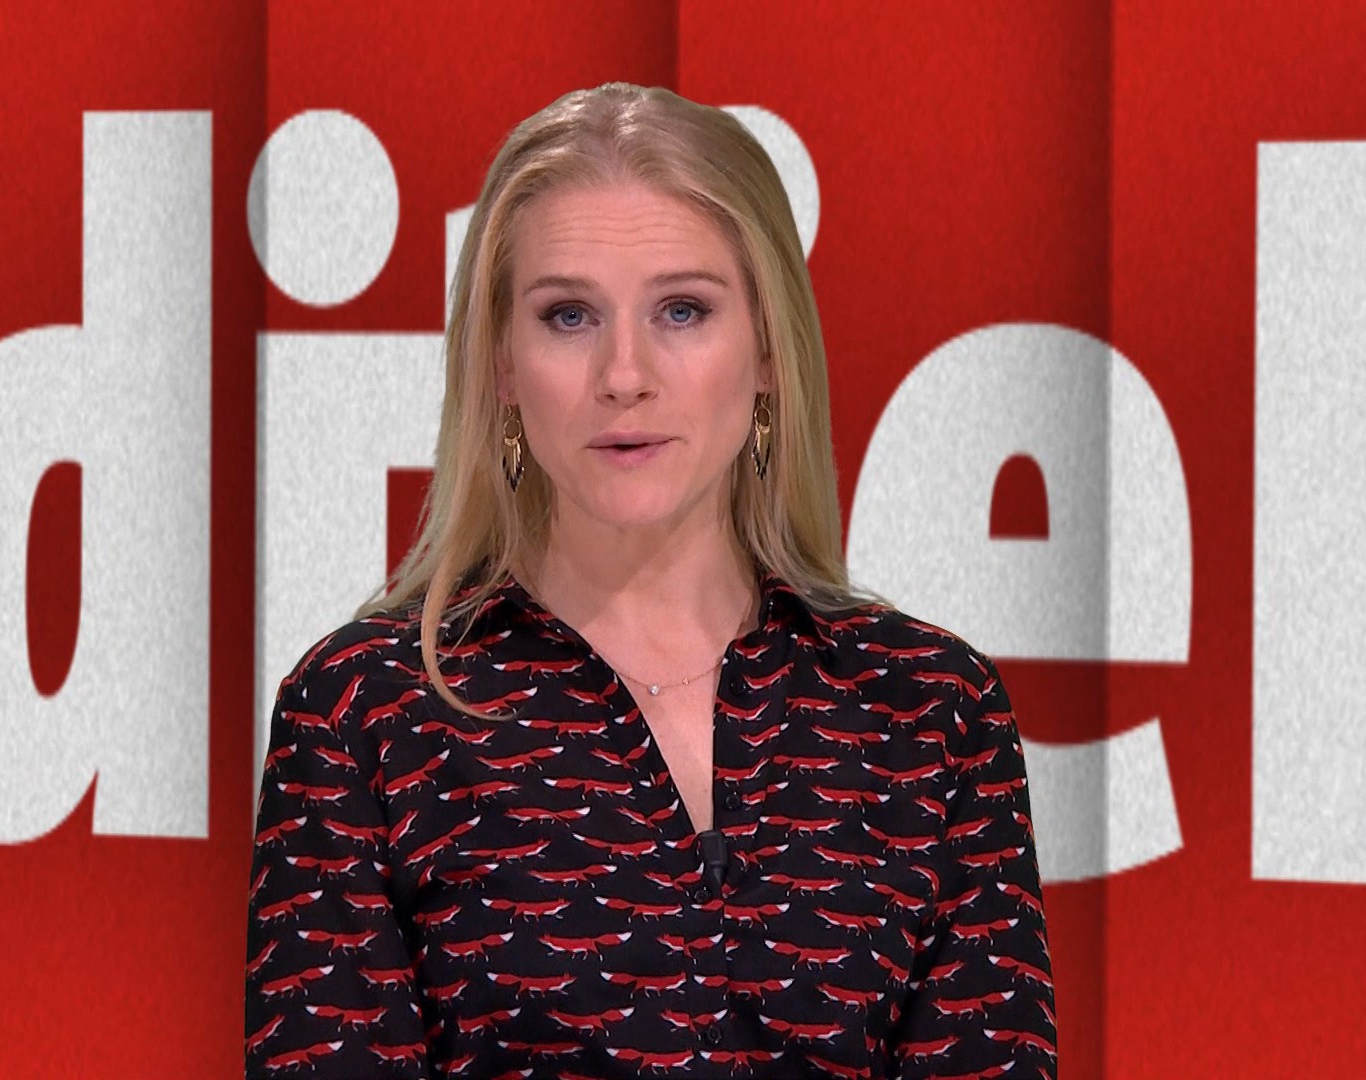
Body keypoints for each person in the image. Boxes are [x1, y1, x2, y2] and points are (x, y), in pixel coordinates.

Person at [246, 81, 1055, 1079]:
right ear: (502, 364)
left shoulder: (931, 712)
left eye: (682, 310)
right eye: (568, 315)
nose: (624, 374)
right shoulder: (365, 713)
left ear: (768, 350)